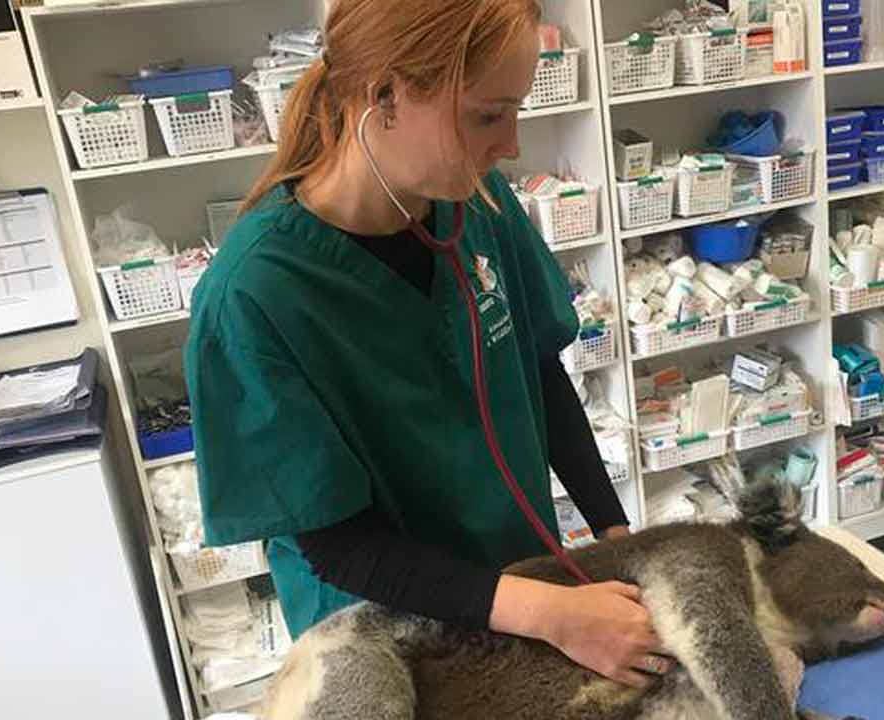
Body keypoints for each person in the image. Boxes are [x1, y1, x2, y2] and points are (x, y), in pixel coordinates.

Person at [184, 0, 672, 688]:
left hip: (518, 585)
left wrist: (621, 542)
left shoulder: (478, 205)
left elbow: (538, 372)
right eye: (487, 114)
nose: (511, 143)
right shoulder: (255, 294)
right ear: (385, 95)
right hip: (381, 631)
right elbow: (338, 545)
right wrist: (554, 615)